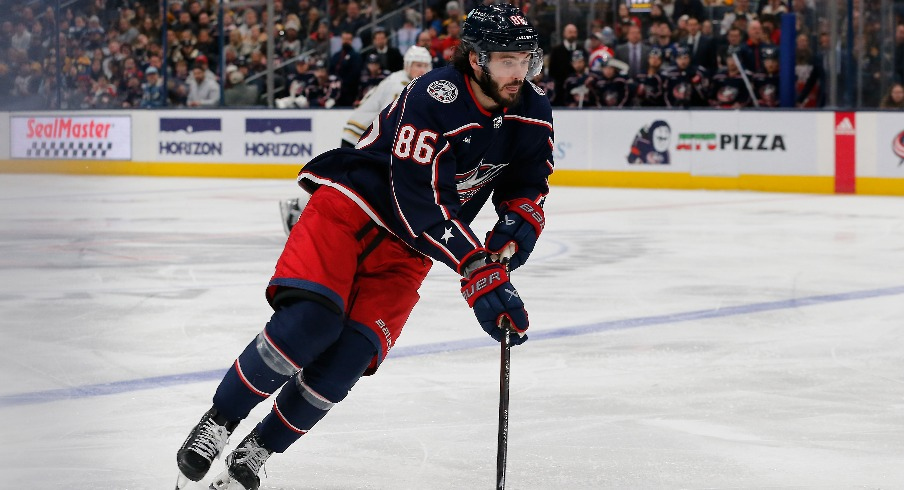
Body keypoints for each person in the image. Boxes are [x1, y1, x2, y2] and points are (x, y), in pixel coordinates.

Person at [175, 6, 552, 489]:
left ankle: (257, 450)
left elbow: (529, 182)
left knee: (349, 357)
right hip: (352, 211)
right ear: (476, 59)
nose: (519, 73)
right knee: (309, 325)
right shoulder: (434, 95)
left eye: (526, 60)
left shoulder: (532, 108)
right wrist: (475, 266)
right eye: (506, 61)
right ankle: (220, 421)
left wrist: (514, 235)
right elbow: (419, 199)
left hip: (410, 252)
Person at [279, 46, 434, 233]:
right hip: (360, 137)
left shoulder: (407, 82)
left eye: (425, 65)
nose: (422, 70)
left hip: (365, 135)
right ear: (407, 66)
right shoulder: (398, 85)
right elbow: (395, 121)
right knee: (348, 186)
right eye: (417, 65)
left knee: (352, 186)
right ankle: (300, 206)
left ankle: (301, 207)